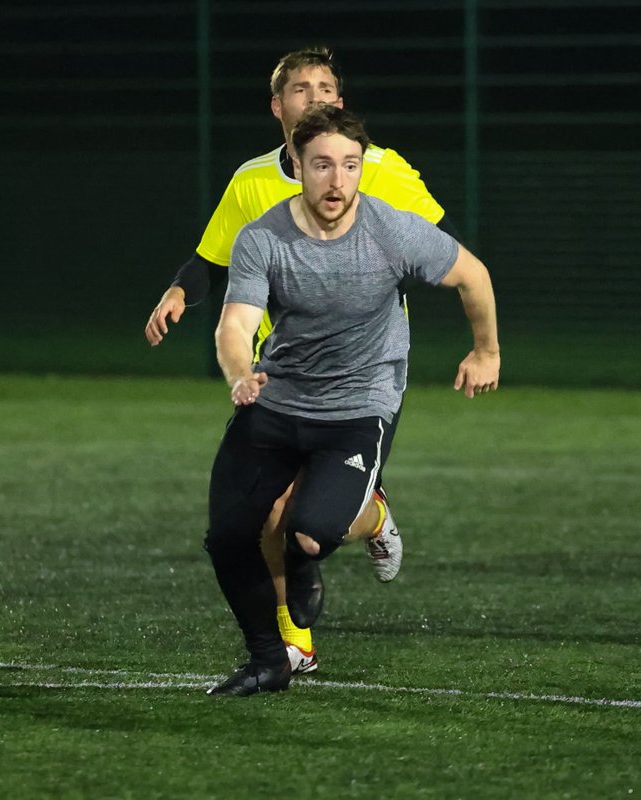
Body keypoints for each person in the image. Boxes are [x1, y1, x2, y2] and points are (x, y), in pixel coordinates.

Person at [144, 47, 459, 675]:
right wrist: (181, 289)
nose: (312, 97)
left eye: (324, 88)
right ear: (276, 106)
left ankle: (365, 520)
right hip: (274, 374)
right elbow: (214, 258)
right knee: (265, 515)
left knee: (296, 514)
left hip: (360, 380)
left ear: (339, 102)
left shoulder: (382, 170)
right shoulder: (252, 181)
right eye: (298, 89)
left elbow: (437, 246)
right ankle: (296, 640)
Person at [205, 104, 499, 696]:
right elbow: (234, 326)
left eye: (349, 165)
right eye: (321, 166)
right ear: (297, 165)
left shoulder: (392, 230)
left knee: (307, 533)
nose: (337, 181)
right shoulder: (263, 236)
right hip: (278, 397)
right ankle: (268, 661)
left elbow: (473, 275)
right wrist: (241, 374)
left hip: (360, 406)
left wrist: (485, 351)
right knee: (229, 535)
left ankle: (369, 519)